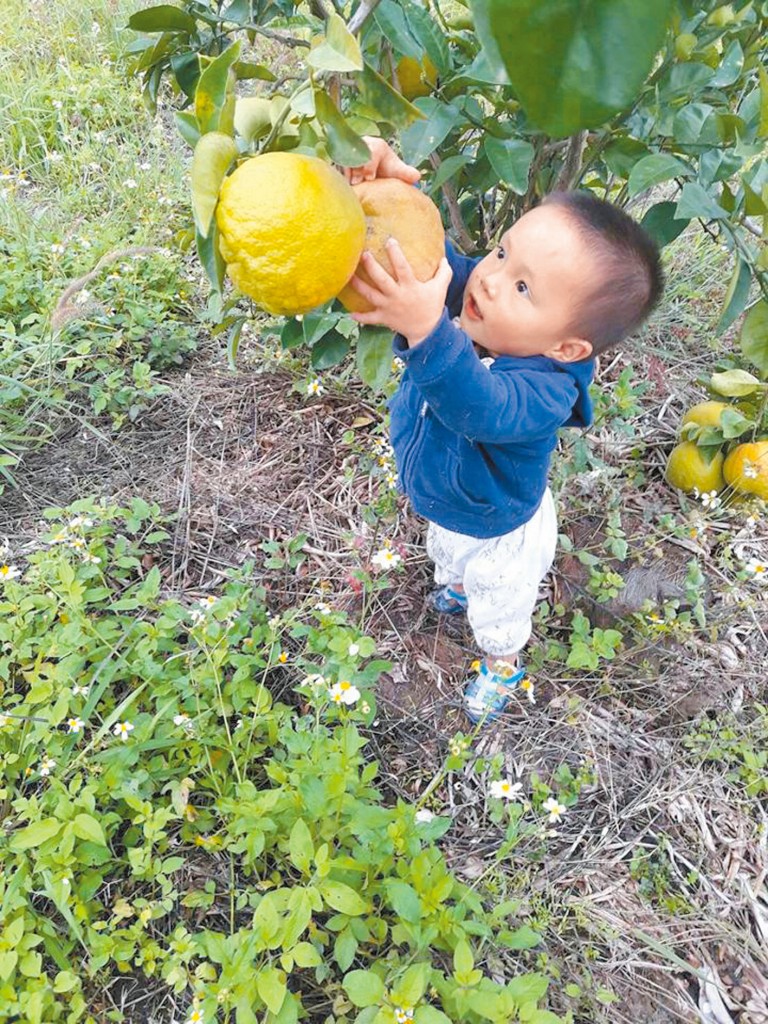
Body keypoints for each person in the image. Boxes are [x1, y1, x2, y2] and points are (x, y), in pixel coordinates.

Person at [343, 137, 664, 724]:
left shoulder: (544, 392)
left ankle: (502, 662)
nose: (489, 281)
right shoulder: (485, 299)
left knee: (499, 601)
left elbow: (479, 406)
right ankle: (456, 587)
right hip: (452, 498)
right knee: (449, 551)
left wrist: (426, 332)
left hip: (502, 526)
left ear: (566, 346)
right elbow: (432, 266)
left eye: (523, 287)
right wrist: (392, 197)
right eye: (499, 254)